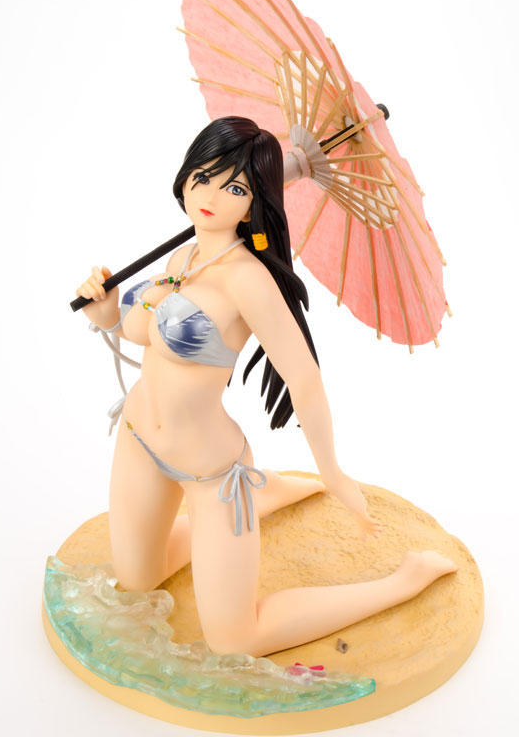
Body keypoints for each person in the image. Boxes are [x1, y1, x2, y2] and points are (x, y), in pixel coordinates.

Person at [76, 116, 457, 658]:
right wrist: (109, 313)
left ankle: (402, 580)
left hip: (210, 473)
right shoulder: (183, 255)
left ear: (255, 203)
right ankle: (272, 494)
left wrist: (333, 472)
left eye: (235, 188)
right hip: (138, 440)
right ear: (185, 176)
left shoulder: (247, 280)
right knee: (137, 582)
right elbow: (145, 336)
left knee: (234, 640)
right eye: (203, 177)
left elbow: (304, 379)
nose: (210, 196)